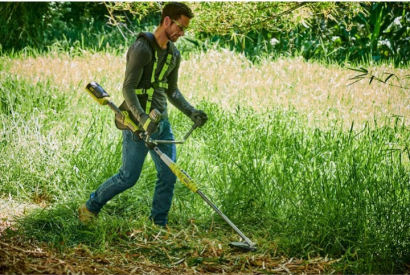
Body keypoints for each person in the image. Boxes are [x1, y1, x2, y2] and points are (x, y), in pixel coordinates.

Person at [79, 2, 208, 227]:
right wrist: (142, 118)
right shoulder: (142, 48)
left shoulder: (174, 54)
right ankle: (90, 207)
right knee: (128, 177)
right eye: (180, 26)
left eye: (185, 29)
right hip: (136, 124)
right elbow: (128, 88)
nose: (182, 32)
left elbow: (172, 90)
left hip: (162, 124)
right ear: (167, 20)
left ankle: (158, 224)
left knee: (168, 175)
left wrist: (191, 112)